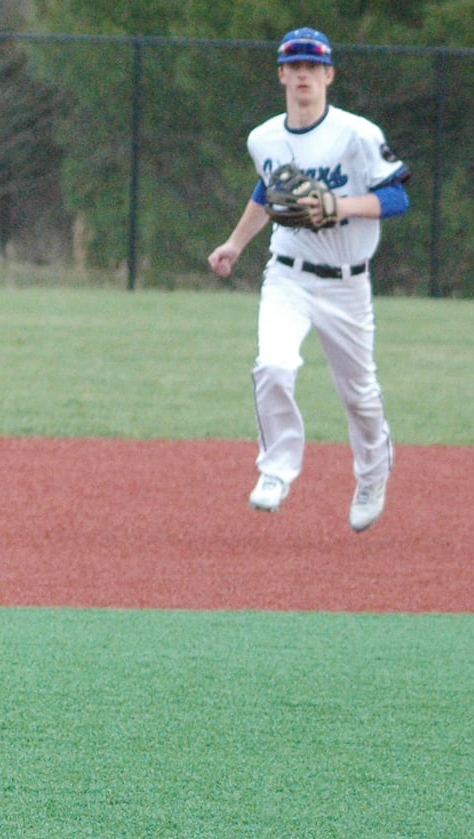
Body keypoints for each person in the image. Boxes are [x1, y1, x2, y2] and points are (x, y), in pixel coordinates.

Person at [208, 27, 410, 533]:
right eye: (293, 65)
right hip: (288, 276)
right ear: (281, 74)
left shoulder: (356, 134)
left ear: (329, 75)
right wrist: (236, 243)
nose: (303, 74)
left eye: (313, 66)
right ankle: (276, 469)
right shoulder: (264, 138)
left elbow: (398, 197)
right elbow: (268, 190)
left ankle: (371, 474)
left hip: (347, 283)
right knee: (274, 365)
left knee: (359, 395)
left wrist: (339, 205)